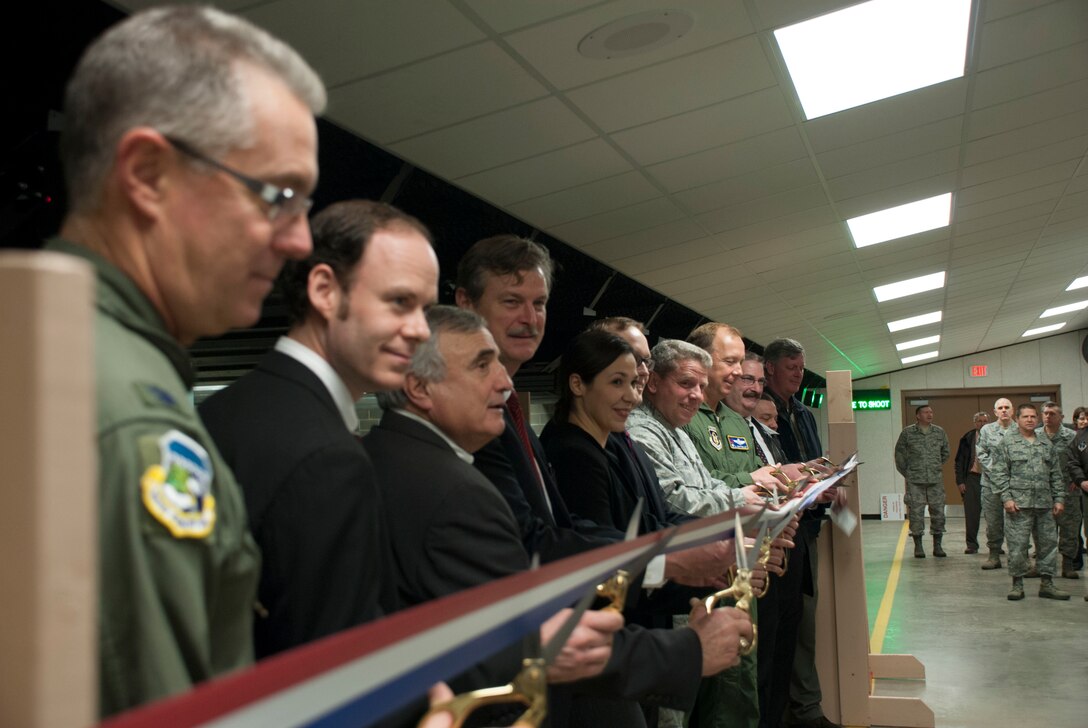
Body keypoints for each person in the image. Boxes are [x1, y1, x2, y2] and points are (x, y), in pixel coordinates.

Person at [47, 5, 323, 715]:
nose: (299, 240)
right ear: (148, 174)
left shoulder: (48, 347)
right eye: (278, 196)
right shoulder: (134, 423)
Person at [456, 236, 751, 728]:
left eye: (539, 304)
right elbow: (534, 547)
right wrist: (672, 562)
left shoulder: (527, 423)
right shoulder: (499, 428)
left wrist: (694, 561)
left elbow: (583, 530)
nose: (529, 317)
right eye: (511, 301)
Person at [200, 200, 438, 657]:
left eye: (425, 308)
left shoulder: (227, 408)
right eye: (400, 302)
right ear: (325, 291)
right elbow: (333, 663)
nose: (421, 330)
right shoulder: (328, 460)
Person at [363, 306, 625, 703]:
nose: (504, 382)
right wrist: (687, 651)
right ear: (419, 387)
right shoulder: (458, 490)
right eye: (483, 366)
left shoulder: (386, 455)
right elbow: (514, 640)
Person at [763, 338, 838, 728]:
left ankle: (803, 706)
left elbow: (812, 461)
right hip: (779, 528)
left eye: (801, 368)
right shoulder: (762, 410)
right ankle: (797, 711)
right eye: (791, 367)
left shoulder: (804, 412)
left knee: (802, 618)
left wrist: (826, 481)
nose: (798, 374)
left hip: (807, 525)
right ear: (770, 368)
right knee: (787, 621)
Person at [989, 404, 1069, 601]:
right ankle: (1017, 585)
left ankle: (1047, 584)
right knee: (1018, 546)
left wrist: (1059, 499)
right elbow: (999, 474)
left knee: (1048, 545)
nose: (1030, 420)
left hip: (1045, 504)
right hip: (1019, 506)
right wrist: (1007, 498)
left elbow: (1056, 475)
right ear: (1018, 419)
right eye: (1025, 417)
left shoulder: (1046, 444)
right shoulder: (1007, 443)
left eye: (1033, 416)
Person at [894, 405, 951, 558]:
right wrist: (909, 472)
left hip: (935, 480)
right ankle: (918, 546)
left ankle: (937, 546)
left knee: (938, 512)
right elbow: (899, 454)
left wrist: (934, 466)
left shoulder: (939, 432)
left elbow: (946, 452)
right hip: (915, 481)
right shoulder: (908, 433)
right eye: (926, 412)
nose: (930, 414)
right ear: (918, 415)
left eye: (931, 412)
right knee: (916, 513)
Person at [1036, 402, 1079, 578]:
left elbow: (1081, 460)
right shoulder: (1034, 435)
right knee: (1042, 530)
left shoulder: (1072, 436)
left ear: (1061, 417)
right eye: (1045, 413)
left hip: (1067, 489)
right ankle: (1042, 566)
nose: (1048, 416)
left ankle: (1068, 565)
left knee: (1069, 528)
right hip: (1042, 490)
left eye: (1052, 414)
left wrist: (1079, 479)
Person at [977, 398, 1016, 570]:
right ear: (995, 412)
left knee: (1016, 522)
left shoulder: (1020, 429)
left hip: (1015, 484)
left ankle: (1018, 557)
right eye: (1000, 408)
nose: (1004, 410)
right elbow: (981, 453)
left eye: (1007, 407)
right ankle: (994, 555)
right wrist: (998, 472)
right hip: (991, 484)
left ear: (1012, 410)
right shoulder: (987, 430)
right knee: (993, 522)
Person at [954, 412, 989, 554]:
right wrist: (960, 481)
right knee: (971, 514)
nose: (982, 423)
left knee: (994, 515)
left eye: (985, 421)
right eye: (979, 421)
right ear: (975, 423)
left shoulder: (995, 437)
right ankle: (972, 545)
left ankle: (995, 545)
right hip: (972, 478)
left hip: (991, 478)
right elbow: (959, 461)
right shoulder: (967, 438)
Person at [1066, 409, 1088, 600]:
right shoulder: (1079, 439)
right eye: (1082, 418)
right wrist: (1081, 480)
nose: (1085, 421)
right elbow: (1073, 462)